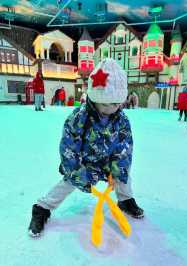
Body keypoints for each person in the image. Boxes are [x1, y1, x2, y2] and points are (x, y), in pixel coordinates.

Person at [28, 58, 144, 237]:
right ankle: (42, 208)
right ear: (94, 98)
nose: (112, 109)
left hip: (106, 162)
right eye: (106, 104)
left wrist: (117, 170)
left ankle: (126, 200)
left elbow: (124, 148)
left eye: (116, 104)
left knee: (124, 178)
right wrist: (79, 175)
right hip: (83, 163)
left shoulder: (122, 120)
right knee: (67, 183)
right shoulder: (78, 118)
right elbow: (69, 150)